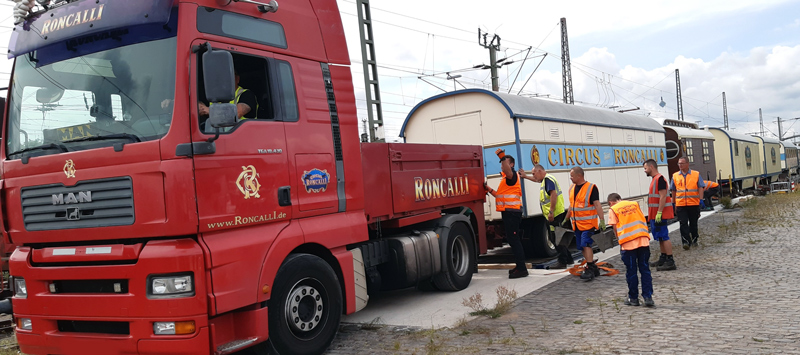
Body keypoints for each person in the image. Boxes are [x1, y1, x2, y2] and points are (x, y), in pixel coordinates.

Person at [485, 149, 528, 279]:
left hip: (512, 213)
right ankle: (519, 266)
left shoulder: (512, 175)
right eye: (501, 164)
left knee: (514, 240)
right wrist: (488, 189)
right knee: (512, 240)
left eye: (504, 163)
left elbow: (508, 170)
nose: (502, 166)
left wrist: (502, 156)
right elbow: (499, 195)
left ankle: (522, 269)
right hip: (508, 212)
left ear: (511, 165)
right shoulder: (505, 179)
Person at [519, 164, 573, 269]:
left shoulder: (548, 180)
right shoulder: (546, 179)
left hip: (555, 214)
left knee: (555, 238)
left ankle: (562, 261)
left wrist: (551, 212)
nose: (533, 176)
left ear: (540, 171)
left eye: (534, 174)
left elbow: (553, 195)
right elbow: (537, 180)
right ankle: (568, 258)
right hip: (557, 213)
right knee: (558, 237)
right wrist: (525, 177)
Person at [607, 193, 654, 307]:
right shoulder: (634, 204)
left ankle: (633, 298)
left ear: (611, 202)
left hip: (628, 244)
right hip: (643, 240)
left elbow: (615, 227)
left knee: (631, 271)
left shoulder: (613, 209)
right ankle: (648, 297)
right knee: (645, 269)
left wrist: (619, 240)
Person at [563, 166, 605, 281]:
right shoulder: (572, 188)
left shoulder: (591, 188)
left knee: (586, 244)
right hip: (577, 224)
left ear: (579, 176)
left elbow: (597, 205)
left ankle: (590, 267)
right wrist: (566, 219)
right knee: (581, 246)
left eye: (572, 175)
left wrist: (602, 220)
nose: (570, 178)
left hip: (588, 224)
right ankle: (593, 267)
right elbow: (572, 206)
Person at [643, 159, 676, 271]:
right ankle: (664, 257)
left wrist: (660, 212)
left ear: (651, 167)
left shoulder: (659, 179)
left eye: (645, 168)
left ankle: (670, 260)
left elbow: (662, 196)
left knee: (664, 236)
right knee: (661, 237)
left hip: (659, 214)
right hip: (655, 213)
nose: (645, 170)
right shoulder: (655, 179)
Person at [671, 157, 706, 250]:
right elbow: (673, 190)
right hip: (681, 204)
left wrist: (701, 199)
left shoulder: (696, 174)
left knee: (693, 223)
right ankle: (685, 241)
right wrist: (673, 202)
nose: (680, 165)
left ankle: (694, 239)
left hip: (693, 204)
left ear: (687, 164)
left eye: (682, 163)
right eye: (679, 163)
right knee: (683, 223)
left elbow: (700, 187)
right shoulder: (675, 176)